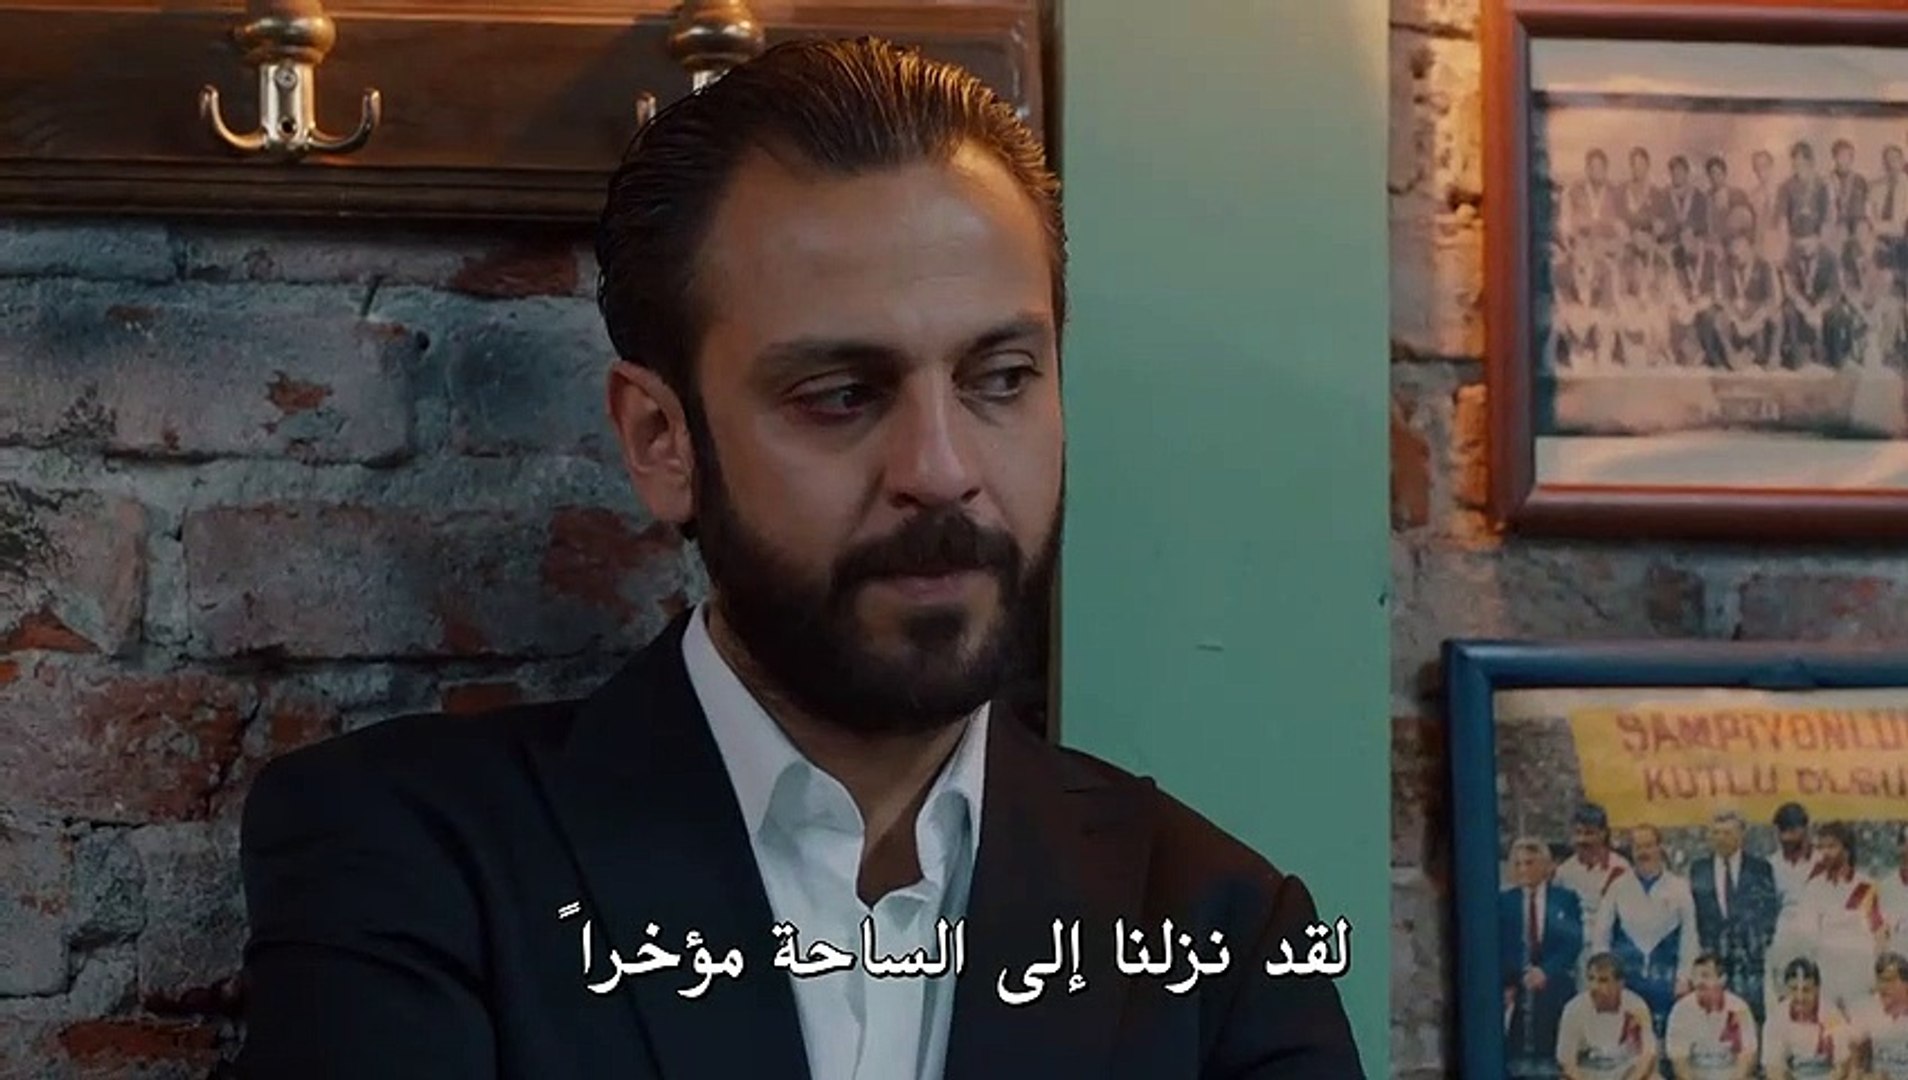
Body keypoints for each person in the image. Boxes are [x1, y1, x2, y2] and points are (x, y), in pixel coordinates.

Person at [229, 37, 1363, 1079]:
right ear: (662, 440)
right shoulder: (414, 864)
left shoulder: (1223, 937)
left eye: (1001, 379)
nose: (942, 469)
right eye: (841, 395)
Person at [1594, 823, 1699, 1039]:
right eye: (1638, 847)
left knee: (1665, 1037)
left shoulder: (1679, 887)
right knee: (1626, 1037)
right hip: (1627, 978)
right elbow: (1602, 934)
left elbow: (1689, 935)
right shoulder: (1618, 887)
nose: (1644, 852)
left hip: (1665, 978)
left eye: (1649, 846)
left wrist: (1684, 977)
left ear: (1660, 848)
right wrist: (1604, 977)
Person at [1502, 836, 1585, 1074]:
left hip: (1555, 986)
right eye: (1518, 864)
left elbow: (1573, 941)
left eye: (1529, 863)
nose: (1523, 869)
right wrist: (1519, 975)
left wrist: (1546, 972)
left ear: (1545, 866)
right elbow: (1500, 945)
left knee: (1555, 1056)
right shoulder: (1504, 902)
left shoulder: (1565, 899)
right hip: (1517, 988)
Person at [1688, 811, 1776, 1025]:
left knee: (1750, 1019)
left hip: (1749, 964)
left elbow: (1768, 914)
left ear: (1741, 834)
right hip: (1713, 959)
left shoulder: (1759, 869)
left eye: (1727, 833)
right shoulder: (1699, 870)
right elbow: (1695, 915)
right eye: (1716, 833)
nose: (1721, 838)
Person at [1804, 822, 1889, 1020]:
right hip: (1826, 980)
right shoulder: (1814, 888)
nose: (1825, 853)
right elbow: (1808, 937)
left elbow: (1880, 936)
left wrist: (1877, 979)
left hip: (1860, 982)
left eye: (1832, 846)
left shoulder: (1866, 887)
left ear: (1847, 849)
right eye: (1821, 847)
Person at [1556, 805, 1634, 981]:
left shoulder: (1620, 868)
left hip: (1610, 950)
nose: (1582, 840)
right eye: (1578, 833)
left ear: (1603, 834)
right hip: (1575, 953)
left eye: (1589, 833)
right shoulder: (1564, 872)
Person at [1557, 952, 1660, 1080]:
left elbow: (1647, 1056)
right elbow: (1567, 1063)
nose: (1594, 987)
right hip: (1586, 1073)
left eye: (1603, 980)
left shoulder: (1636, 1006)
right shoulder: (1573, 1009)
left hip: (1626, 1073)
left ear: (1620, 983)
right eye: (1591, 979)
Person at [1664, 951, 1758, 1080]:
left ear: (1722, 979)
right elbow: (1679, 1062)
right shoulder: (1681, 1010)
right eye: (1695, 976)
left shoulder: (1739, 1008)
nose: (1699, 982)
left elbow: (1747, 1055)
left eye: (1705, 976)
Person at [1769, 803, 1824, 1022]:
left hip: (1818, 938)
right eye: (1783, 831)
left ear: (1805, 829)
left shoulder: (1823, 861)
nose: (1788, 837)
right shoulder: (1771, 865)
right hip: (1784, 941)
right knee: (1785, 999)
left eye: (1793, 830)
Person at [1760, 958, 1853, 1080]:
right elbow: (1773, 1068)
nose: (1800, 997)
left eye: (1806, 990)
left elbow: (1842, 1064)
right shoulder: (1777, 1018)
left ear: (1817, 989)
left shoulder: (1831, 1015)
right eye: (1794, 989)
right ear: (1786, 989)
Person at [1850, 951, 1908, 1079]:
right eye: (1880, 981)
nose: (1882, 987)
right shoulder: (1871, 1011)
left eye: (1889, 980)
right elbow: (1856, 1054)